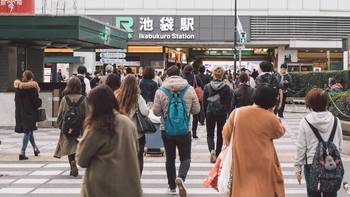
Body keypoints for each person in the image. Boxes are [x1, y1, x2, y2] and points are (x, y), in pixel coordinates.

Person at [77, 86, 142, 197]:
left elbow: (82, 160)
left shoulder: (97, 126)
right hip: (128, 185)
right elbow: (136, 150)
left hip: (100, 187)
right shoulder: (128, 123)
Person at [223, 85, 286, 197]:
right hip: (264, 163)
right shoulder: (270, 118)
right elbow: (279, 132)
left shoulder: (237, 113)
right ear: (271, 102)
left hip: (241, 161)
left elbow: (226, 134)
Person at [153, 65, 200, 196]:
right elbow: (196, 110)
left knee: (170, 158)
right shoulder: (189, 89)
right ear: (180, 74)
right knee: (186, 158)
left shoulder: (160, 91)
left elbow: (156, 112)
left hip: (166, 129)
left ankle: (172, 187)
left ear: (167, 75)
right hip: (184, 130)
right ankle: (181, 178)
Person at [295, 88, 343, 197]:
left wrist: (298, 168)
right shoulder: (336, 121)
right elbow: (339, 146)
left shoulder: (305, 121)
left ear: (310, 103)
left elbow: (301, 147)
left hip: (312, 164)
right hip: (332, 164)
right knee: (331, 194)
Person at [115, 75, 149, 175]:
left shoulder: (116, 95)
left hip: (120, 131)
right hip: (136, 133)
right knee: (138, 157)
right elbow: (145, 112)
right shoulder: (138, 97)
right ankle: (137, 179)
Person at [54, 76, 88, 177]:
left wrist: (60, 125)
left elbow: (60, 114)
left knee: (70, 147)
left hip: (68, 127)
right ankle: (77, 160)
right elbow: (88, 114)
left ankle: (72, 162)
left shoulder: (65, 99)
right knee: (79, 145)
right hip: (80, 128)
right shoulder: (83, 99)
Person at [203, 66, 232, 163]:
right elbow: (228, 103)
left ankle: (212, 150)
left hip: (210, 112)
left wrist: (205, 113)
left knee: (210, 134)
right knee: (220, 134)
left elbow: (204, 102)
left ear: (213, 74)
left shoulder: (207, 87)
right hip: (221, 113)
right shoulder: (226, 88)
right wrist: (228, 113)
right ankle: (218, 153)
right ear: (222, 75)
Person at [14, 70, 42, 160]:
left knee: (30, 131)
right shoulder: (32, 88)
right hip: (30, 113)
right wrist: (39, 101)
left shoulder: (18, 88)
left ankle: (35, 149)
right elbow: (36, 102)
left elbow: (16, 101)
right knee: (27, 132)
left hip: (20, 113)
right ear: (31, 78)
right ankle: (22, 152)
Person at [182, 64, 204, 139]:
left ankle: (185, 130)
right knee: (195, 115)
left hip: (184, 98)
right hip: (194, 97)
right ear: (191, 70)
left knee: (185, 115)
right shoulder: (195, 77)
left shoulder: (182, 78)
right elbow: (202, 85)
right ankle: (194, 132)